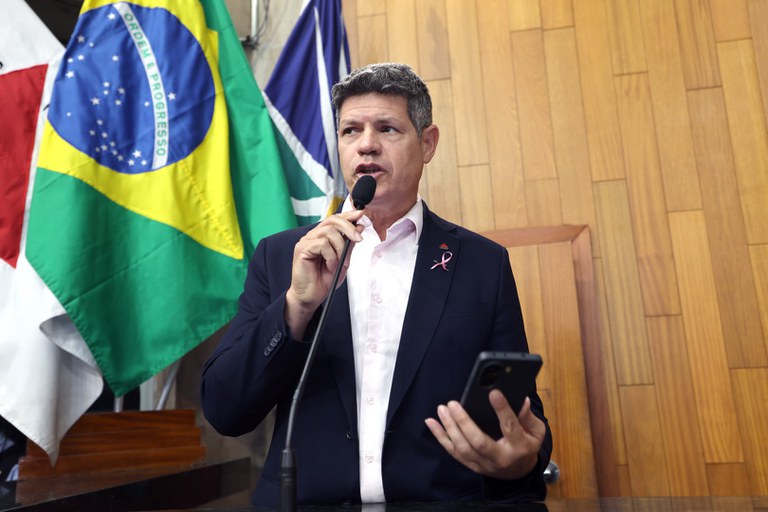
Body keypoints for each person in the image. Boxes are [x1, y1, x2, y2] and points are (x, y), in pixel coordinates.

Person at [201, 62, 552, 506]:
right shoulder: (283, 256)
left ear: (427, 143)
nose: (365, 144)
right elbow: (225, 410)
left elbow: (523, 421)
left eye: (387, 128)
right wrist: (295, 307)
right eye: (350, 131)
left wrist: (521, 460)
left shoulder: (482, 264)